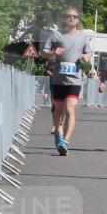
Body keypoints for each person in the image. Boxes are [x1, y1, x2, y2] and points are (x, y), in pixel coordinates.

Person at [42, 9, 91, 156]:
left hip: (74, 80)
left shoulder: (83, 36)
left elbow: (88, 53)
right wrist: (53, 53)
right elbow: (44, 51)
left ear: (78, 20)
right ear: (64, 18)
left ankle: (66, 142)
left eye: (74, 16)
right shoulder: (56, 34)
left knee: (70, 109)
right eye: (68, 16)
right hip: (58, 79)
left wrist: (85, 58)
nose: (71, 18)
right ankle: (58, 133)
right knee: (58, 110)